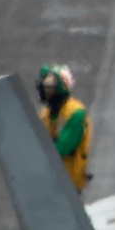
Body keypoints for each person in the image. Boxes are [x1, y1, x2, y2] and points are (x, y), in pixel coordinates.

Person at [37, 64, 91, 192]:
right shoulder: (46, 113)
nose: (45, 91)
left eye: (50, 88)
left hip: (68, 181)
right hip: (52, 180)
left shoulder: (75, 113)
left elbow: (62, 147)